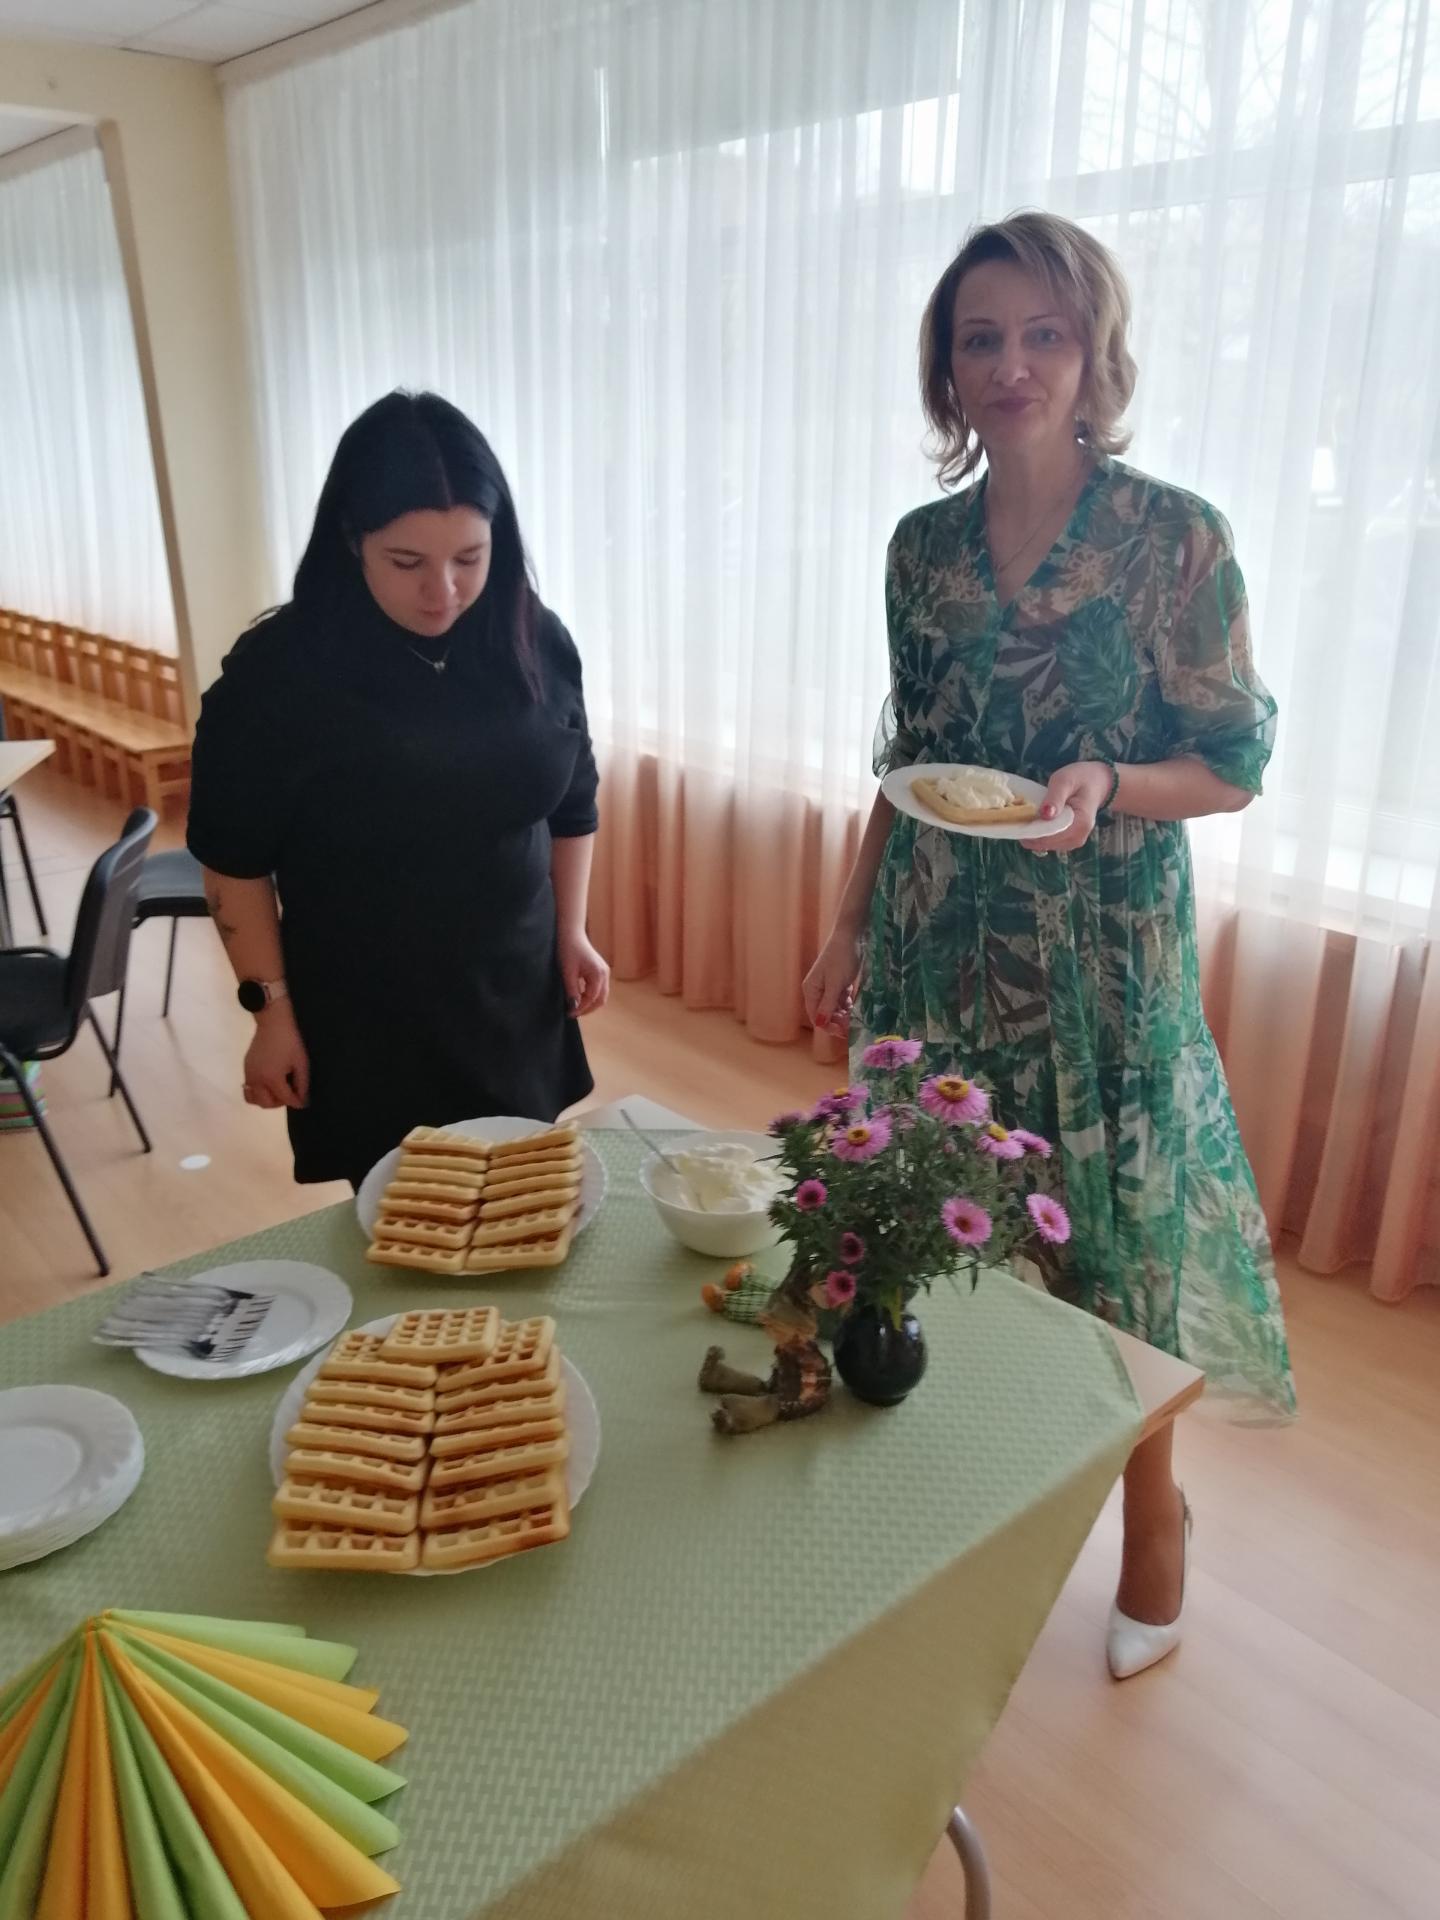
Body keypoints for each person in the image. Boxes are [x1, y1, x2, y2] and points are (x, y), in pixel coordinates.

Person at [803, 212, 1295, 1680]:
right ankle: (981, 1486)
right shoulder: (922, 552)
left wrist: (1109, 783)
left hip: (1103, 956)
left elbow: (1233, 765)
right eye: (980, 339)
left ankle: (1153, 1515)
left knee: (1113, 1250)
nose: (1011, 364)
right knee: (945, 1218)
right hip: (938, 938)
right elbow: (908, 764)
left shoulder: (1175, 538)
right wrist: (845, 923)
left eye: (1043, 334)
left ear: (1094, 352)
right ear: (946, 371)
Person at [188, 391, 608, 1190]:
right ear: (352, 540)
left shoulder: (532, 636)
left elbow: (572, 800)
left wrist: (573, 931)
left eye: (470, 558)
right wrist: (270, 1013)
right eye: (407, 563)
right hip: (367, 1010)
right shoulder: (279, 674)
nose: (442, 591)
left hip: (513, 990)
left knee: (523, 1199)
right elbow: (233, 860)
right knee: (407, 1215)